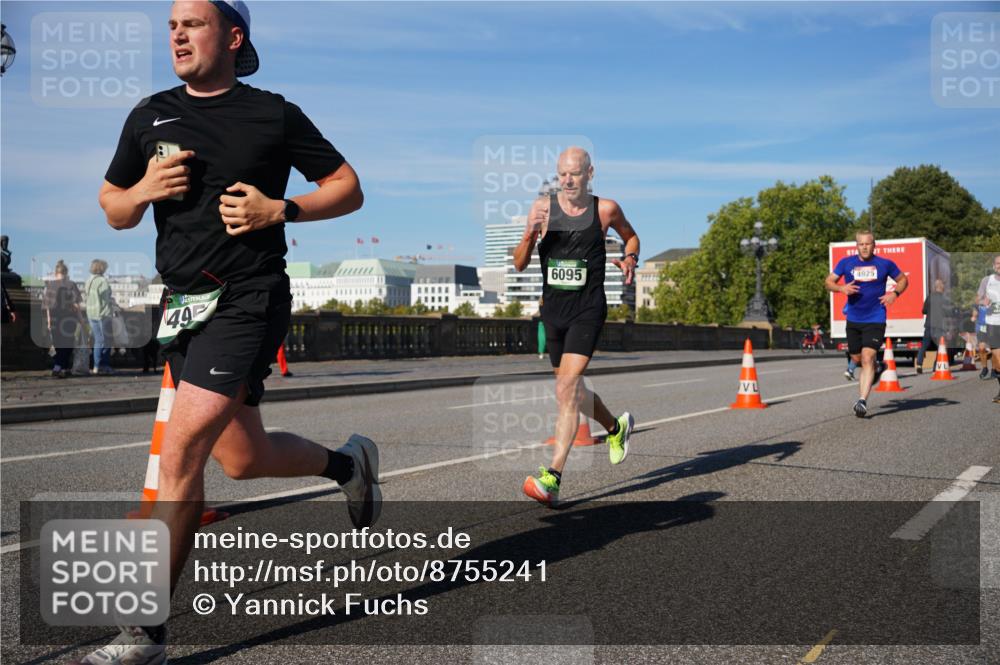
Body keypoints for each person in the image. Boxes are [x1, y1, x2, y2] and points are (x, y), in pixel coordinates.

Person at [88, 2, 376, 661]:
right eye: (172, 25)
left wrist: (282, 209)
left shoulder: (273, 114)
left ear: (233, 36)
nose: (177, 34)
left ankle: (144, 634)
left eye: (193, 23)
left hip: (248, 298)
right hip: (182, 306)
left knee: (180, 452)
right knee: (242, 459)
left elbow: (348, 187)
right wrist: (142, 190)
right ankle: (347, 464)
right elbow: (113, 207)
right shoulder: (149, 115)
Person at [514, 147, 639, 506]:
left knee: (566, 388)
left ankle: (552, 477)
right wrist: (529, 234)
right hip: (553, 312)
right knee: (573, 392)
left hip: (588, 310)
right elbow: (520, 263)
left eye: (575, 173)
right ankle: (616, 427)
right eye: (562, 174)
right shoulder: (542, 209)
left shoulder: (605, 210)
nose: (568, 180)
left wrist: (630, 257)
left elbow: (631, 236)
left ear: (590, 174)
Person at [825, 230, 908, 418]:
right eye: (861, 244)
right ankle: (877, 368)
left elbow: (903, 279)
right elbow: (828, 282)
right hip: (854, 319)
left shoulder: (885, 264)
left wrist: (894, 294)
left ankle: (862, 401)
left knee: (867, 357)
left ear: (874, 245)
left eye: (867, 244)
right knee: (856, 358)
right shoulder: (846, 263)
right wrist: (841, 288)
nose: (864, 247)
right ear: (856, 246)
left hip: (875, 318)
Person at [42, 260, 83, 379]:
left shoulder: (50, 285)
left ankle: (60, 367)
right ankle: (61, 367)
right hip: (69, 318)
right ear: (66, 272)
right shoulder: (71, 284)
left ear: (56, 273)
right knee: (68, 343)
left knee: (58, 344)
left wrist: (49, 320)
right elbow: (77, 306)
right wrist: (81, 320)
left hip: (55, 317)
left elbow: (47, 306)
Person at [85, 259, 115, 375]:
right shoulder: (103, 281)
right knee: (107, 340)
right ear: (102, 268)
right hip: (103, 314)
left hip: (91, 313)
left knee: (98, 340)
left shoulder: (89, 280)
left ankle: (96, 366)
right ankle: (104, 365)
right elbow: (107, 297)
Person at [976, 254, 1000, 403]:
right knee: (997, 363)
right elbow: (977, 298)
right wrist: (983, 301)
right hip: (992, 325)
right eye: (998, 263)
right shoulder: (987, 280)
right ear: (993, 266)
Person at [915, 278, 951, 374]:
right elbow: (948, 313)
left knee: (924, 346)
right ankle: (936, 366)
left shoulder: (929, 297)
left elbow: (924, 311)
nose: (944, 287)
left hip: (929, 326)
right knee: (940, 347)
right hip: (940, 327)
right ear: (941, 286)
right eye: (943, 285)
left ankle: (919, 364)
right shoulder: (945, 299)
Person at [975, 298, 992, 380]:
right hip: (982, 327)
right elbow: (975, 307)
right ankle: (985, 368)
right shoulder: (981, 297)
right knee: (981, 349)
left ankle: (995, 369)